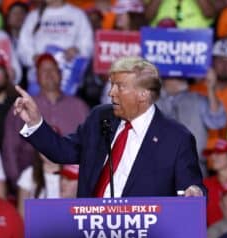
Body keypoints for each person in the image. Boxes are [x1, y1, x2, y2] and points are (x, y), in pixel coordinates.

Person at [13, 56, 205, 198]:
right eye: (111, 85)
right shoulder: (100, 117)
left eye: (119, 87)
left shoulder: (176, 138)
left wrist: (193, 192)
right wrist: (36, 122)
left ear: (143, 95)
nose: (111, 93)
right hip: (91, 230)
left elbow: (192, 188)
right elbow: (63, 152)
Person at [2, 53, 89, 195]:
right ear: (36, 77)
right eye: (43, 70)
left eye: (53, 69)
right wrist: (18, 183)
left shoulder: (80, 107)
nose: (49, 74)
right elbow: (10, 148)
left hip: (73, 184)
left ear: (61, 75)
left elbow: (90, 146)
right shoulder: (23, 105)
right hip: (31, 183)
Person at [190, 39, 227, 149]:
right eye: (220, 60)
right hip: (198, 150)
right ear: (211, 62)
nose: (225, 65)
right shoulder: (193, 91)